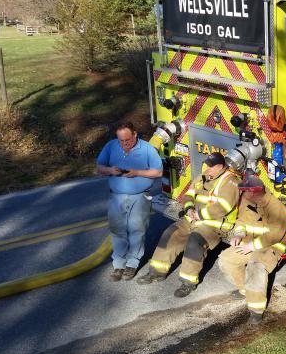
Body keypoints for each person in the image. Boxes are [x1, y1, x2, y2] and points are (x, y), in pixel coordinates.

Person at [137, 152, 241, 297]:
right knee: (170, 233)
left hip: (214, 224)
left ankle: (188, 283)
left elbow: (222, 208)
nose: (206, 169)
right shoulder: (203, 177)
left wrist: (200, 215)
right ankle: (156, 273)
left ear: (219, 167)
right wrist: (189, 208)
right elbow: (189, 195)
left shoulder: (230, 182)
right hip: (193, 218)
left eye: (210, 167)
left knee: (195, 242)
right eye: (207, 165)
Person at [218, 171, 286, 323]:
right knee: (226, 259)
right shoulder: (246, 200)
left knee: (255, 266)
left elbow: (274, 235)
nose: (243, 193)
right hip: (250, 242)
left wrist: (251, 246)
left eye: (246, 190)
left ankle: (256, 310)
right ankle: (245, 289)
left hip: (271, 245)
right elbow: (241, 221)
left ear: (255, 192)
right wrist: (238, 234)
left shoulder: (276, 208)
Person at [96, 122, 163, 282]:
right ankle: (118, 264)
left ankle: (132, 263)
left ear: (135, 134)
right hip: (116, 196)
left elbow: (158, 171)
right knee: (117, 230)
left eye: (127, 140)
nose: (125, 143)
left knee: (137, 231)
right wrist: (111, 170)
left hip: (139, 197)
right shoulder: (111, 146)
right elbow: (99, 167)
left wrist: (137, 172)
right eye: (121, 141)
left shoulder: (147, 149)